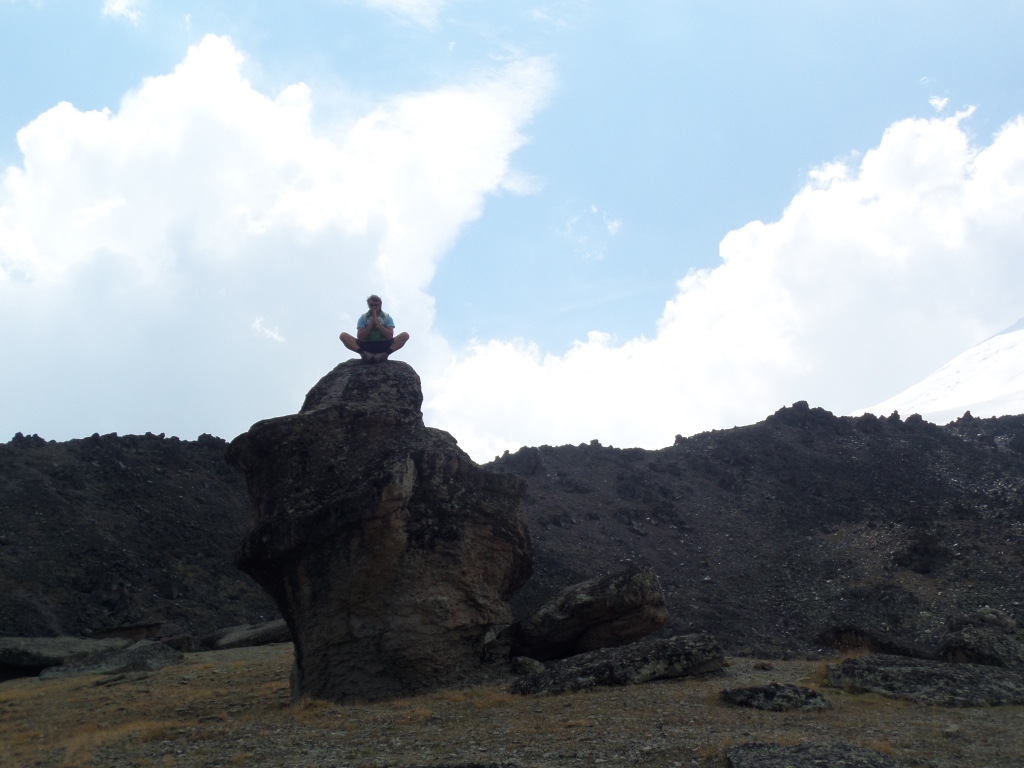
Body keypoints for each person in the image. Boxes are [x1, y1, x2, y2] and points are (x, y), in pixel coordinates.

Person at [340, 294, 410, 363]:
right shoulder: (363, 317)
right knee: (343, 336)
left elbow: (389, 336)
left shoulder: (386, 317)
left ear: (380, 305)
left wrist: (378, 324)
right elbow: (360, 337)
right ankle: (364, 354)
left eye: (376, 305)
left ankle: (384, 355)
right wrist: (371, 323)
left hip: (383, 344)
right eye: (371, 305)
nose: (374, 307)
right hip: (367, 344)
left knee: (405, 335)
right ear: (368, 306)